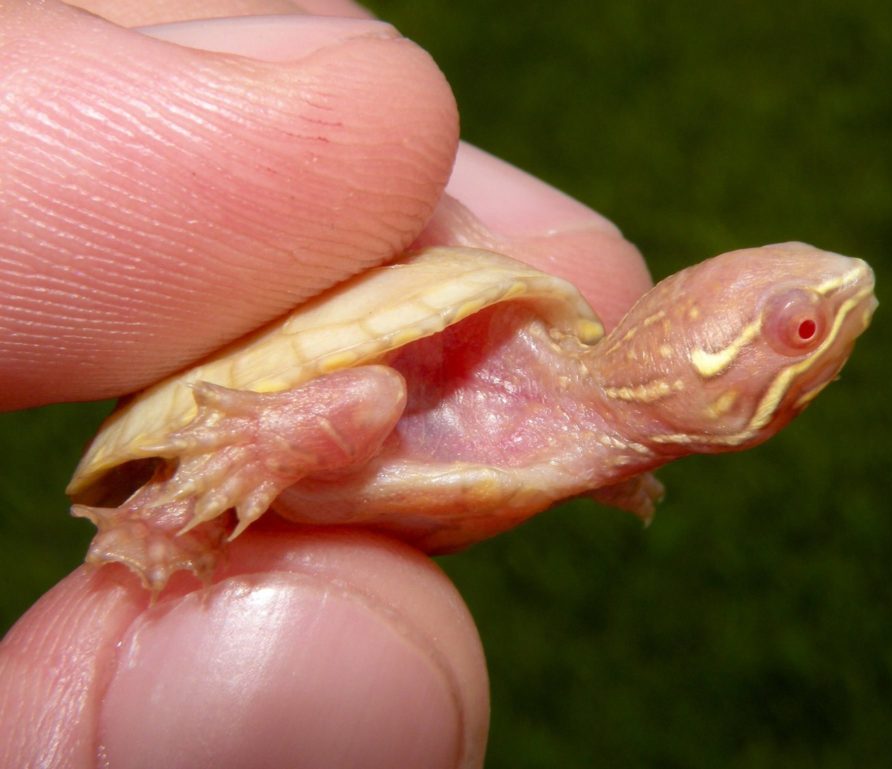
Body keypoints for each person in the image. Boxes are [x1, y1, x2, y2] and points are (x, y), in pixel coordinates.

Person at [0, 2, 652, 766]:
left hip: (321, 472)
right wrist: (265, 445)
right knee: (367, 400)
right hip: (256, 419)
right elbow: (366, 391)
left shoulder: (593, 430)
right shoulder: (536, 359)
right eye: (799, 330)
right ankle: (192, 492)